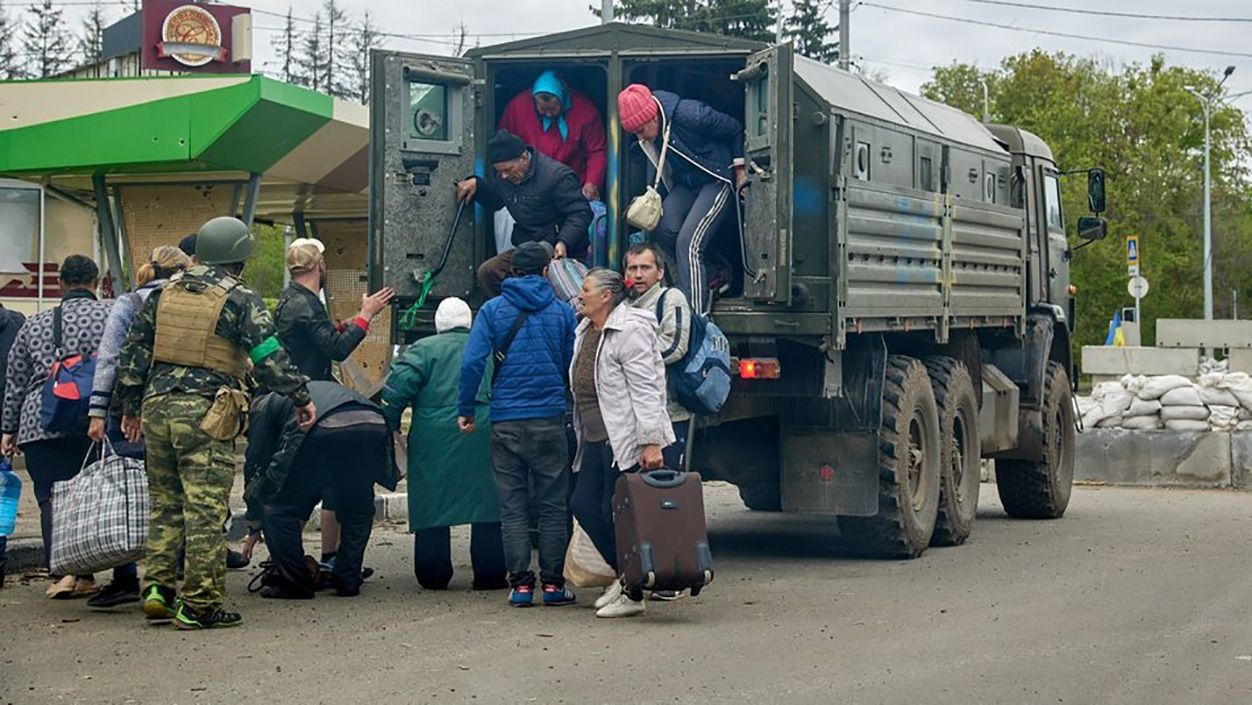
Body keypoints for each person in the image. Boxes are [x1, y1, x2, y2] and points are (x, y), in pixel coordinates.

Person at [115, 216, 315, 630]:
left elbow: (133, 354)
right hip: (206, 412)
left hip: (156, 408)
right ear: (238, 258)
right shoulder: (240, 298)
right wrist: (300, 396)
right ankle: (200, 604)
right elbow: (269, 357)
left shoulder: (163, 293)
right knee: (204, 509)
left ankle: (158, 589)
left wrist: (130, 408)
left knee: (165, 505)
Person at [458, 241, 577, 607]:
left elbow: (472, 363)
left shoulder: (492, 310)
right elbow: (571, 365)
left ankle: (522, 586)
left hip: (506, 420)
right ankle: (553, 585)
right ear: (545, 271)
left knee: (512, 507)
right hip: (549, 419)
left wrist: (466, 408)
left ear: (512, 272)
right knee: (553, 506)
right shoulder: (562, 312)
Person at [273, 237, 394, 574]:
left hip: (297, 400)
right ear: (320, 266)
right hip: (311, 404)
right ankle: (311, 565)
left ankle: (312, 561)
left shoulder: (292, 299)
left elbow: (319, 337)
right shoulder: (307, 304)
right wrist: (366, 315)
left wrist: (347, 322)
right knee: (316, 486)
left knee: (314, 484)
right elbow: (337, 349)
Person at [84, 245, 190, 609]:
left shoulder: (129, 303)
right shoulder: (190, 300)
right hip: (178, 407)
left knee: (127, 492)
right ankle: (173, 573)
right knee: (174, 493)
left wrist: (98, 411)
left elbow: (110, 357)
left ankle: (126, 576)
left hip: (128, 412)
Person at [1, 255, 112, 599]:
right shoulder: (112, 315)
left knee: (50, 496)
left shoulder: (34, 324)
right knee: (97, 495)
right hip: (97, 418)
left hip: (42, 420)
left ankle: (65, 573)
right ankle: (93, 571)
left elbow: (16, 381)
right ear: (95, 282)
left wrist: (9, 429)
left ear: (61, 284)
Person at [568, 268, 674, 619]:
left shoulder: (630, 328)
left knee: (613, 513)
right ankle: (627, 576)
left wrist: (651, 442)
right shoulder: (586, 328)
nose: (579, 295)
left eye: (585, 289)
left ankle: (633, 591)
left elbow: (647, 388)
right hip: (594, 436)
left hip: (623, 439)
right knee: (583, 505)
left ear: (606, 296)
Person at [381, 297, 506, 591]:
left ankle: (433, 574)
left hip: (432, 436)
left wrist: (391, 425)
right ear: (469, 323)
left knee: (433, 502)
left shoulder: (423, 349)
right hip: (482, 430)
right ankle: (490, 573)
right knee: (486, 502)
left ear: (438, 325)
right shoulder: (488, 348)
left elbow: (395, 392)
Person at [243, 380, 396, 599]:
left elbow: (256, 464)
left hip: (320, 426)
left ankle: (295, 583)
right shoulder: (307, 389)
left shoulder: (261, 407)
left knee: (278, 509)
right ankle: (347, 580)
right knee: (357, 508)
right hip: (372, 422)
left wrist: (255, 520)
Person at [617, 83, 747, 315]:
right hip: (686, 183)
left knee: (689, 245)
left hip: (716, 178)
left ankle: (694, 318)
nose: (640, 137)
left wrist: (739, 170)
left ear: (654, 117)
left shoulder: (692, 115)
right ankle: (714, 273)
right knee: (662, 230)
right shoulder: (649, 133)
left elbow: (735, 128)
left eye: (641, 130)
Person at [456, 129, 593, 298]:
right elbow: (497, 200)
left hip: (559, 249)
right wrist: (478, 186)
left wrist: (564, 241)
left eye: (508, 169)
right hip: (527, 247)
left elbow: (580, 212)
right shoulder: (506, 178)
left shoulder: (557, 176)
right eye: (499, 171)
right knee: (488, 272)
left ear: (523, 158)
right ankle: (511, 310)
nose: (504, 176)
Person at [624, 242, 694, 470]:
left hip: (669, 414)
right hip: (632, 417)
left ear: (660, 272)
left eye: (645, 268)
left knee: (665, 483)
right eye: (632, 268)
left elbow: (675, 346)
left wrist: (630, 361)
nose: (638, 275)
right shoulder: (625, 305)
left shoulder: (671, 298)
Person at [498, 70, 607, 202]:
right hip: (528, 187)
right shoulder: (516, 108)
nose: (548, 114)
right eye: (543, 109)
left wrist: (592, 183)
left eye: (553, 109)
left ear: (563, 98)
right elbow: (502, 148)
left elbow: (596, 151)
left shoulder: (585, 110)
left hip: (572, 185)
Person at [0, 302, 26, 589]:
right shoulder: (16, 323)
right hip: (2, 427)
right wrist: (12, 426)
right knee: (0, 497)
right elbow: (19, 380)